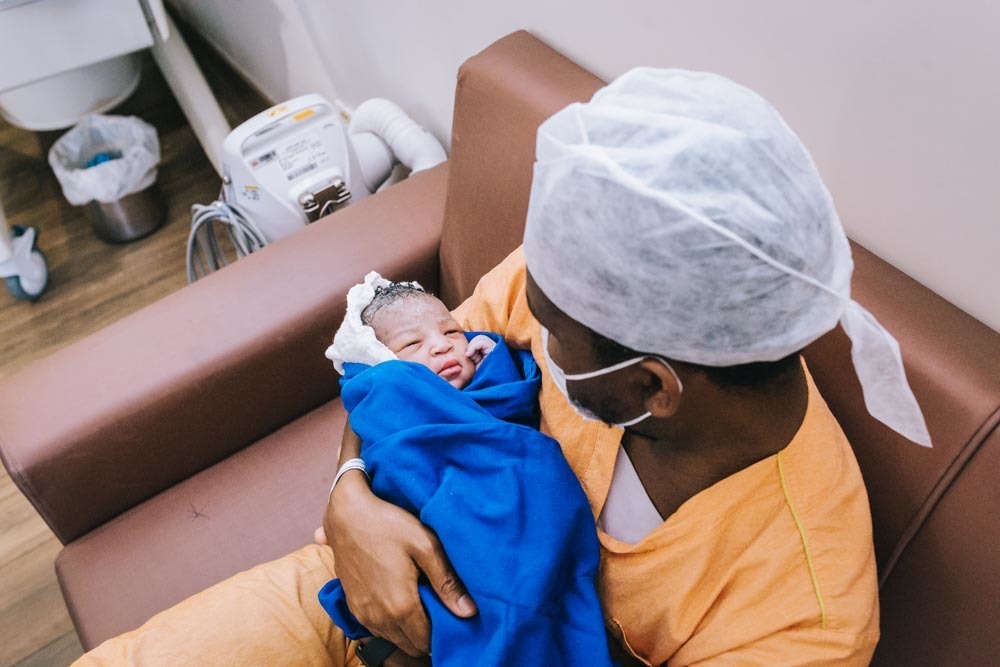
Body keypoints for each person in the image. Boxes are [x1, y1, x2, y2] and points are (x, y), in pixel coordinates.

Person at [75, 67, 931, 667]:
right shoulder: (586, 281)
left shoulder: (799, 616)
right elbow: (399, 380)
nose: (520, 321)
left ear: (652, 387)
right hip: (362, 583)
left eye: (551, 332)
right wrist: (350, 495)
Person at [316, 272, 614, 666]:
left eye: (451, 332)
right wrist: (348, 485)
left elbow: (510, 402)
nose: (442, 345)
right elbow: (378, 404)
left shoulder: (485, 359)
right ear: (380, 358)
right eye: (413, 344)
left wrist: (496, 365)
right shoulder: (393, 391)